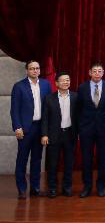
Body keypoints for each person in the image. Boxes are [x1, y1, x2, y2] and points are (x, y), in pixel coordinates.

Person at [10, 60, 51, 199]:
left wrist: (47, 129)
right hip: (25, 129)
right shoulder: (19, 86)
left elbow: (48, 107)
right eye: (32, 68)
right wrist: (17, 127)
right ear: (27, 70)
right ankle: (22, 190)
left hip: (40, 127)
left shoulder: (46, 84)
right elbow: (14, 110)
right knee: (22, 160)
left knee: (37, 160)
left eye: (37, 68)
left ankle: (35, 189)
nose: (35, 70)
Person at [77, 62, 105, 198]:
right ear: (90, 73)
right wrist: (80, 127)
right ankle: (87, 187)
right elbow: (78, 109)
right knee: (86, 158)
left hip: (104, 128)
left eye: (100, 71)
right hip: (86, 129)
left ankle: (101, 187)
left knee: (102, 158)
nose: (97, 73)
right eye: (95, 71)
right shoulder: (82, 87)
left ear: (103, 73)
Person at [40, 71, 77, 198]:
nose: (66, 82)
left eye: (68, 80)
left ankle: (67, 188)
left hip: (70, 134)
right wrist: (44, 134)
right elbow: (45, 118)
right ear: (56, 83)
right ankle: (52, 188)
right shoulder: (49, 98)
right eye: (63, 80)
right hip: (53, 135)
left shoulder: (75, 97)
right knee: (52, 164)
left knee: (69, 163)